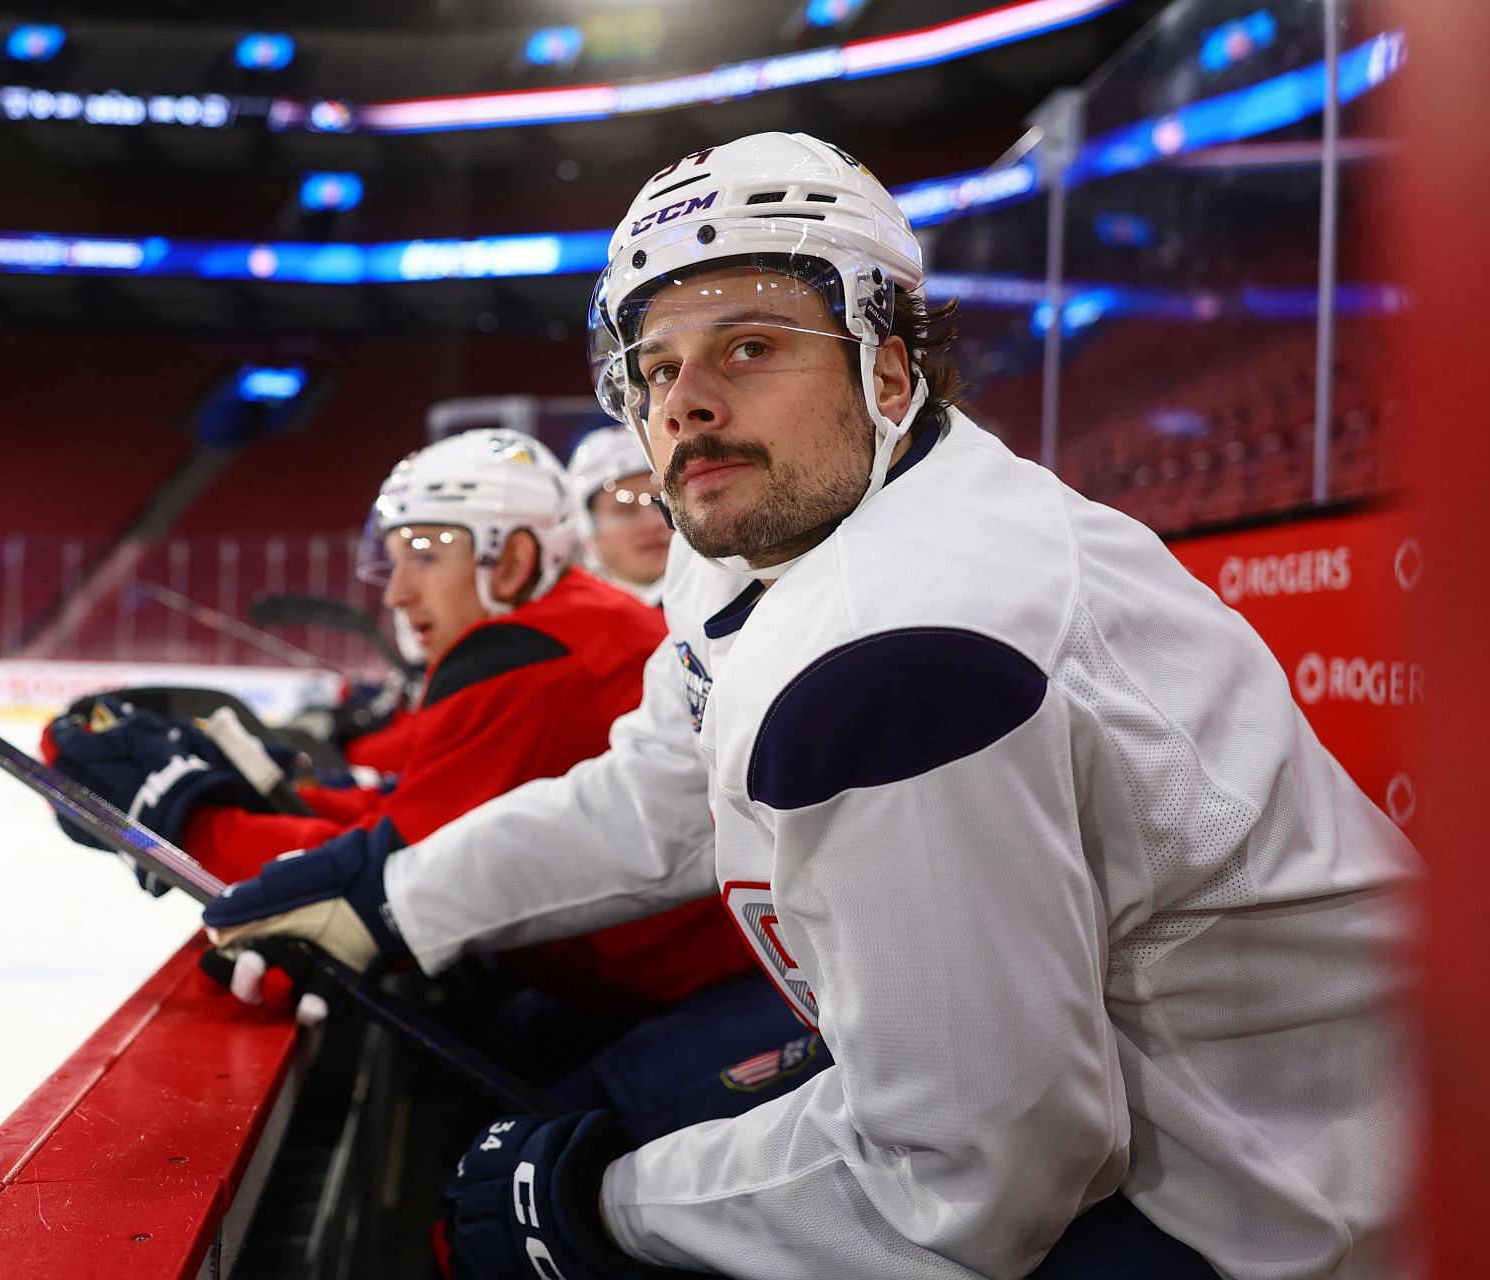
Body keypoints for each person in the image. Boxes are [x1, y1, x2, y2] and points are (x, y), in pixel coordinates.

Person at [202, 132, 1418, 1278]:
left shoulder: (904, 639)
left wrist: (600, 1202)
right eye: (656, 364)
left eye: (748, 346)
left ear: (889, 361)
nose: (683, 402)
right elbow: (670, 796)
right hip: (1174, 1122)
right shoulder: (773, 534)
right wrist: (389, 894)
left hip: (1292, 1205)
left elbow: (974, 1179)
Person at [46, 428, 754, 1024]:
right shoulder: (570, 621)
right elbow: (421, 819)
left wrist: (188, 820)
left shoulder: (530, 657)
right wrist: (265, 792)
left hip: (698, 1002)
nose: (394, 590)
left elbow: (396, 868)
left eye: (423, 554)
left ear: (510, 560)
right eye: (393, 559)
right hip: (682, 987)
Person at [567, 425, 672, 605]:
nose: (653, 522)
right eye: (626, 511)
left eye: (661, 501)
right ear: (586, 529)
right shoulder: (572, 621)